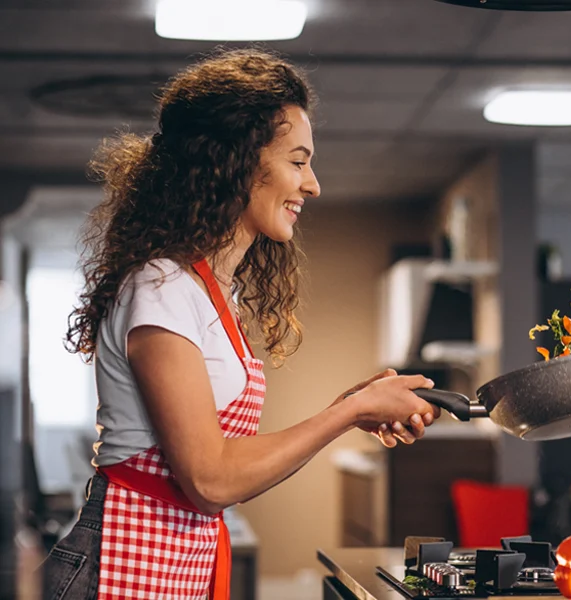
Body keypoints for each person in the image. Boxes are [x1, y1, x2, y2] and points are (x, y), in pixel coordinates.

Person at [40, 48, 441, 600]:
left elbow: (219, 461)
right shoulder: (162, 287)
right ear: (236, 161)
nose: (314, 184)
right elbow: (211, 480)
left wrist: (353, 409)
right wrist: (352, 411)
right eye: (298, 161)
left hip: (172, 566)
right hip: (118, 567)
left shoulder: (207, 291)